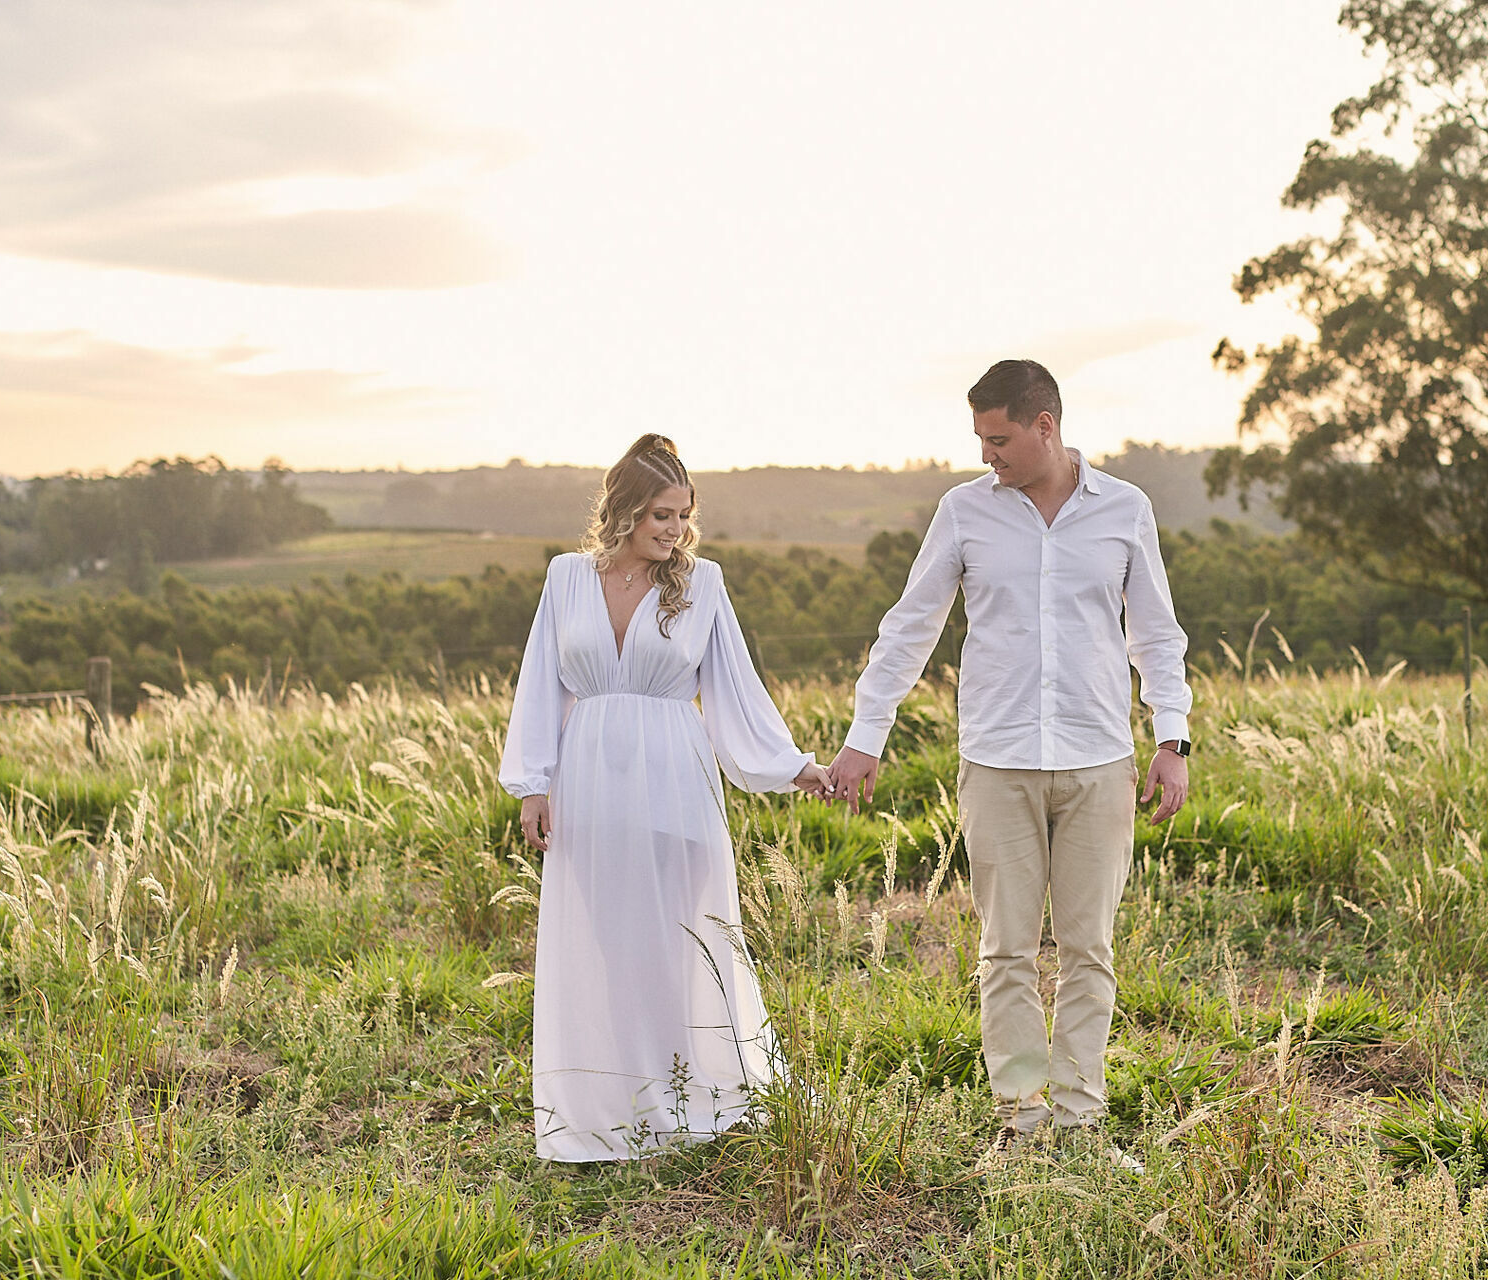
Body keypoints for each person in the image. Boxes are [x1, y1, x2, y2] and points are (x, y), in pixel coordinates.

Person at [827, 359, 1191, 1162]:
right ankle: (1023, 1126)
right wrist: (866, 733)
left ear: (1045, 427)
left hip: (1098, 762)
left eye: (999, 439)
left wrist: (1173, 739)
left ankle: (1081, 1126)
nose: (987, 454)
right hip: (996, 763)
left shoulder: (1125, 510)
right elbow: (910, 625)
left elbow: (1156, 635)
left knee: (1090, 949)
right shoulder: (964, 513)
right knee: (1006, 953)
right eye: (980, 439)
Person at [499, 434, 832, 1162]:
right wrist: (534, 784)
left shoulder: (702, 583)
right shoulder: (565, 578)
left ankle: (688, 1095)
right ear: (620, 511)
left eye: (682, 515)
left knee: (684, 941)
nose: (674, 530)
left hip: (676, 778)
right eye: (658, 515)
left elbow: (736, 691)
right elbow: (539, 685)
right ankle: (617, 1103)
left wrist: (794, 766)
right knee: (608, 944)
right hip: (589, 780)